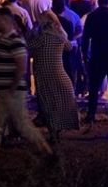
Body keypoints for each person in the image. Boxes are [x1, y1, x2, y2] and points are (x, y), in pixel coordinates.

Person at [0, 7, 53, 159]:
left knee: (22, 124)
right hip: (1, 89)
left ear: (6, 20)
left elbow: (21, 65)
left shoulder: (16, 40)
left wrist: (13, 86)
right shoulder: (1, 39)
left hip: (12, 90)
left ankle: (45, 151)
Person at [28, 10, 80, 144]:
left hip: (44, 73)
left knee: (47, 102)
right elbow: (69, 47)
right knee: (59, 102)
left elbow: (28, 46)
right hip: (59, 72)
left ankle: (53, 132)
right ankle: (57, 131)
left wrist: (33, 30)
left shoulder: (42, 37)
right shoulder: (60, 36)